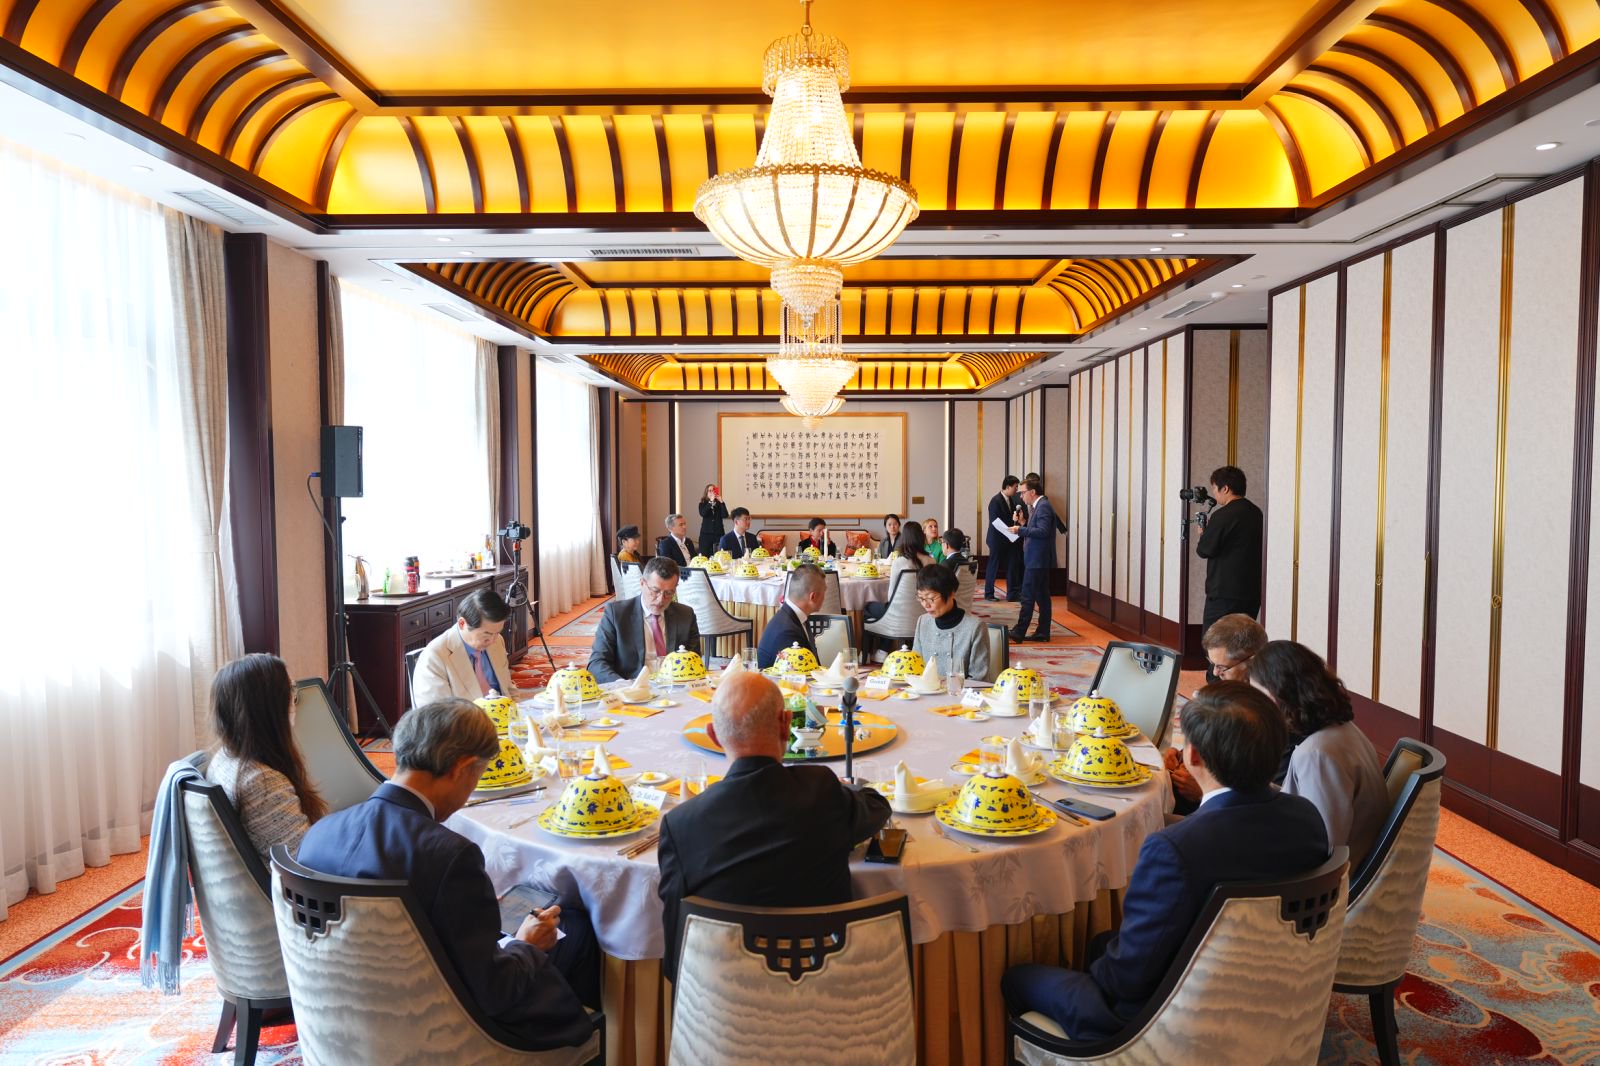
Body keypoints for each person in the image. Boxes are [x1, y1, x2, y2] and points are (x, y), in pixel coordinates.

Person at [1000, 682, 1330, 1040]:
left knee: (1018, 978)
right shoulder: (1308, 818)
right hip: (1274, 991)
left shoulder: (1174, 851)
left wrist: (1098, 973)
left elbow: (1125, 981)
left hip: (1164, 1023)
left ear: (1194, 756)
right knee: (1100, 946)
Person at [297, 699, 599, 1049]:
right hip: (439, 1030)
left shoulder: (318, 834)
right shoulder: (450, 855)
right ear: (463, 768)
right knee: (576, 928)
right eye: (478, 776)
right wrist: (525, 944)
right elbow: (495, 991)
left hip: (336, 1020)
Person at [656, 672, 891, 979]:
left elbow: (677, 958)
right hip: (829, 991)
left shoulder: (680, 825)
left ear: (713, 735)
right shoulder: (821, 790)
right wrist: (847, 787)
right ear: (786, 723)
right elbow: (878, 807)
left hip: (724, 998)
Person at [1250, 641, 1388, 870]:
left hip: (1324, 880)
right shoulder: (1344, 730)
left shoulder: (1316, 754)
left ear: (1276, 695)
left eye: (1258, 694)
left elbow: (1322, 846)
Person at [207, 653, 327, 867]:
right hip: (292, 886)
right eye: (290, 690)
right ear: (270, 706)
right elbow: (306, 861)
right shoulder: (262, 783)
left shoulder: (223, 758)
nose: (294, 699)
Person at [1167, 613, 1273, 812]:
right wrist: (1180, 756)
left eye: (1222, 667)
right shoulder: (1231, 690)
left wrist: (1206, 792)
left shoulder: (1268, 710)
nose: (1215, 673)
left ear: (1252, 661)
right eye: (1212, 664)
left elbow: (1268, 790)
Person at [589, 556, 701, 683]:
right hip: (631, 687)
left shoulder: (685, 615)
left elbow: (695, 662)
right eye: (655, 591)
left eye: (669, 593)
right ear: (642, 583)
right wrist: (623, 685)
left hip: (674, 687)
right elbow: (597, 663)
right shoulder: (616, 614)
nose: (660, 600)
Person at [413, 588, 529, 704]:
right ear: (462, 624)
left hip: (504, 712)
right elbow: (437, 712)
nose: (493, 640)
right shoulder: (434, 657)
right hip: (465, 715)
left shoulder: (497, 641)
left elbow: (508, 689)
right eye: (487, 634)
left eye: (497, 632)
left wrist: (517, 710)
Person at [1194, 465, 1264, 640]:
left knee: (1216, 641)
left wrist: (1203, 534)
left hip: (1223, 592)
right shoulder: (1257, 513)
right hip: (1251, 591)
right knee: (1243, 641)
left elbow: (1205, 549)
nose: (1214, 493)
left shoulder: (1222, 515)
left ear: (1225, 488)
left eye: (1214, 489)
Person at [912, 564, 991, 681]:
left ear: (951, 593)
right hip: (925, 689)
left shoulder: (974, 627)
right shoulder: (923, 622)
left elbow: (978, 679)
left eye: (931, 598)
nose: (926, 605)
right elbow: (915, 665)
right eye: (921, 598)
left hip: (960, 691)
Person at [1008, 475, 1057, 643]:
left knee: (1027, 595)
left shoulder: (1043, 507)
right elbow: (1036, 529)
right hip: (1037, 558)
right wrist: (1022, 523)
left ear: (1033, 492)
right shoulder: (1038, 507)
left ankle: (1019, 632)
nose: (1021, 496)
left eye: (1023, 492)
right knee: (1042, 597)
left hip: (1038, 559)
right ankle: (1042, 632)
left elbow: (1043, 532)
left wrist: (1019, 530)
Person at [757, 563, 824, 669]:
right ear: (813, 597)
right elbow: (799, 673)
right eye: (824, 592)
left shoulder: (792, 617)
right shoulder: (788, 633)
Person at [984, 475, 1021, 601]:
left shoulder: (1012, 500)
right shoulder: (995, 501)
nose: (1016, 489)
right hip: (997, 540)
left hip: (1010, 539)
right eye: (1015, 487)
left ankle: (1012, 594)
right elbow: (996, 521)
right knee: (993, 566)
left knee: (1012, 566)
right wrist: (1011, 530)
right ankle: (989, 594)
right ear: (1008, 486)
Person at [697, 484, 730, 556]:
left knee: (718, 555)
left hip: (718, 533)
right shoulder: (702, 504)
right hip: (706, 534)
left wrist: (721, 502)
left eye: (713, 490)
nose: (712, 492)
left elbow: (725, 515)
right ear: (706, 493)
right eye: (710, 491)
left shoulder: (719, 503)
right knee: (704, 554)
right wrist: (710, 502)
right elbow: (703, 513)